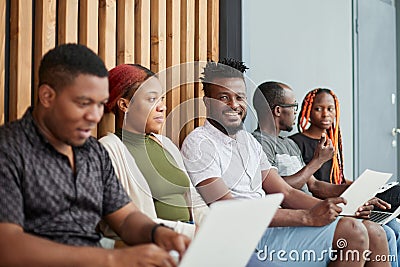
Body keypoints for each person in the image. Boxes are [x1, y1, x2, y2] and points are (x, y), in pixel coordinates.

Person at [181, 58, 390, 266]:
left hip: (269, 229)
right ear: (208, 102)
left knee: (373, 230)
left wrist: (337, 209)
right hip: (244, 237)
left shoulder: (247, 141)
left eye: (239, 97)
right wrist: (307, 217)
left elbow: (286, 192)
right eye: (224, 98)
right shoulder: (200, 143)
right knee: (353, 231)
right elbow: (228, 208)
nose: (234, 105)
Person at [0, 43, 190, 267]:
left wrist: (158, 233)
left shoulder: (93, 153)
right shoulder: (9, 149)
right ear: (47, 96)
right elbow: (7, 247)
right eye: (84, 103)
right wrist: (114, 259)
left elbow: (126, 218)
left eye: (100, 104)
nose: (94, 116)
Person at [252, 81, 400, 267]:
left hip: (315, 207)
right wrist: (317, 162)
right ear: (278, 110)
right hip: (298, 214)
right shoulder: (258, 143)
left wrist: (360, 190)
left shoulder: (288, 144)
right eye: (294, 106)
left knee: (379, 231)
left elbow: (313, 184)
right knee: (371, 230)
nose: (297, 112)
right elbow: (279, 188)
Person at [98, 64, 207, 242]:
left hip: (192, 240)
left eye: (161, 99)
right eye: (151, 99)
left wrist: (212, 228)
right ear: (124, 105)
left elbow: (195, 200)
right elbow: (124, 221)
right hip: (156, 245)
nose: (162, 107)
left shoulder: (166, 145)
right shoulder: (108, 150)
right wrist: (191, 233)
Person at [290, 88, 400, 211]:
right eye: (318, 109)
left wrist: (364, 185)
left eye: (330, 109)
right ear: (308, 111)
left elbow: (339, 179)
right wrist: (359, 190)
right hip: (325, 201)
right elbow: (315, 186)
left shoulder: (332, 142)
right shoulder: (295, 143)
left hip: (341, 195)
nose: (325, 114)